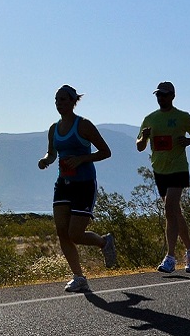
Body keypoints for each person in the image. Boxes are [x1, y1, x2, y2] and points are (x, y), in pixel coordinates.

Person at [37, 84, 116, 293]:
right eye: (56, 100)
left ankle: (103, 242)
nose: (59, 103)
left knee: (75, 234)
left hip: (84, 184)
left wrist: (82, 159)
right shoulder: (54, 128)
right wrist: (45, 160)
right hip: (63, 184)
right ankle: (79, 277)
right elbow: (52, 153)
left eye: (63, 99)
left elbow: (105, 151)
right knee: (62, 232)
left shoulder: (84, 125)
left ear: (73, 101)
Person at [137, 80, 190, 273]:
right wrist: (144, 137)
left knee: (169, 209)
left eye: (165, 94)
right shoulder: (150, 118)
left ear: (172, 96)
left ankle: (170, 257)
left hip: (178, 168)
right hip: (160, 170)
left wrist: (189, 141)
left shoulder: (182, 117)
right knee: (175, 212)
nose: (161, 98)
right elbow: (139, 146)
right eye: (158, 95)